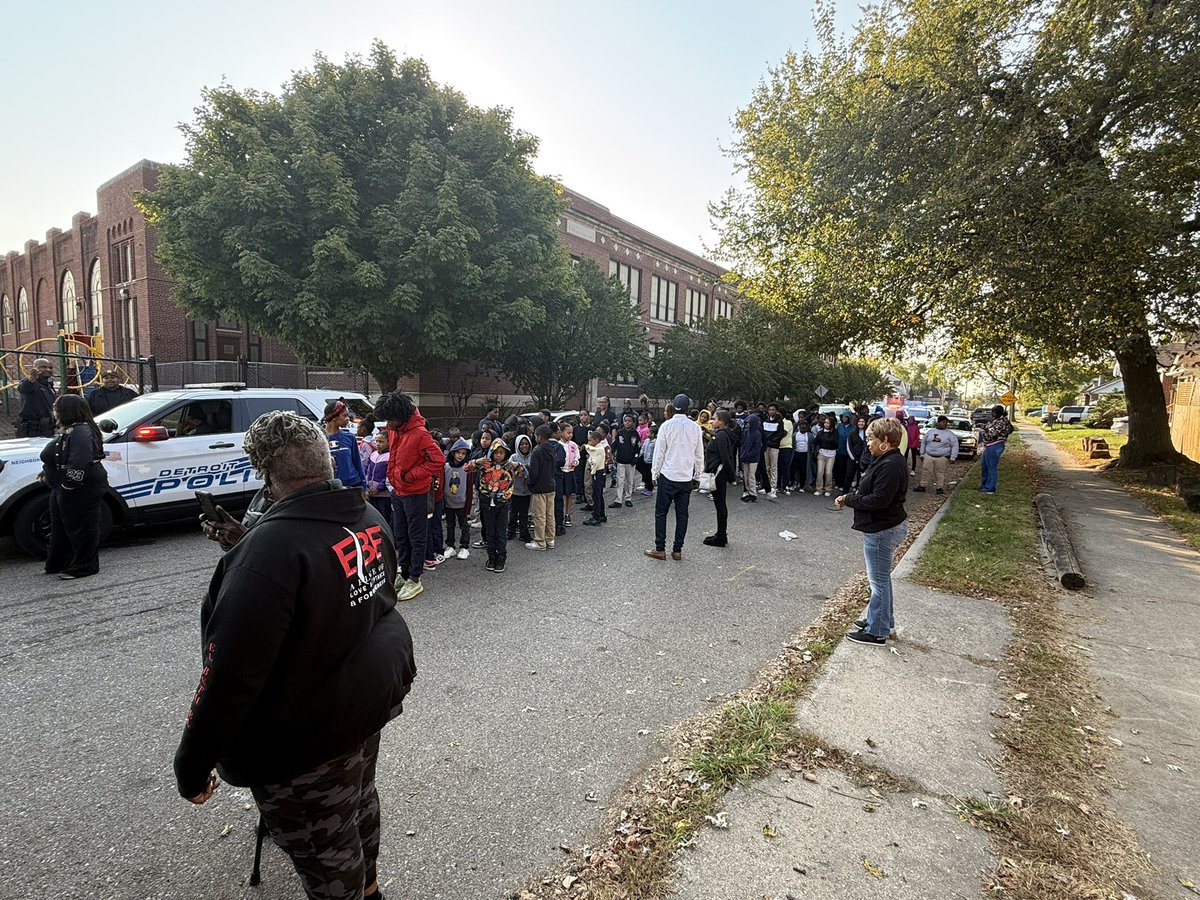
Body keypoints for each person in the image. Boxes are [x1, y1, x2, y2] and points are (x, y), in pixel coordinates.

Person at [173, 410, 415, 900]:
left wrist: (191, 765)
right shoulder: (366, 518)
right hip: (363, 703)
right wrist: (248, 540)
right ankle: (368, 890)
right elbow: (324, 578)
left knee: (324, 841)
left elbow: (230, 677)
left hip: (308, 731)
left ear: (265, 475)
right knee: (356, 802)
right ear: (325, 461)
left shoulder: (271, 555)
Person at [835, 417, 909, 646]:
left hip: (882, 529)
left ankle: (877, 631)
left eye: (871, 439)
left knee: (879, 582)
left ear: (885, 440)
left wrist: (849, 499)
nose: (868, 443)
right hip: (883, 527)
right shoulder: (887, 460)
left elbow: (879, 500)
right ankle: (880, 621)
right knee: (881, 580)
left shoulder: (891, 464)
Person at [375, 392, 445, 602]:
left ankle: (415, 578)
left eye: (391, 419)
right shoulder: (395, 429)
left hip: (415, 492)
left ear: (401, 415)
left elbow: (438, 461)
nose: (389, 423)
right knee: (400, 534)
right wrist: (394, 477)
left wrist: (410, 475)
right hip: (398, 490)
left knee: (416, 535)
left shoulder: (420, 434)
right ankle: (403, 573)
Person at [39, 394, 109, 579]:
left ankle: (84, 566)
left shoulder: (81, 431)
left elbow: (80, 462)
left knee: (82, 526)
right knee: (61, 526)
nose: (54, 411)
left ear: (67, 410)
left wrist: (69, 484)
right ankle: (59, 563)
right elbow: (60, 454)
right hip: (62, 485)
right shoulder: (71, 429)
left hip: (81, 486)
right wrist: (48, 471)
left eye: (57, 408)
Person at [646, 393, 705, 561]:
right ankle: (677, 549)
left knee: (661, 513)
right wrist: (697, 475)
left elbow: (659, 453)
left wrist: (654, 473)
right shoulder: (695, 428)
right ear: (688, 408)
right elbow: (699, 455)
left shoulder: (666, 426)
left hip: (668, 475)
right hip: (685, 476)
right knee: (682, 514)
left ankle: (660, 548)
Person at [467, 439, 520, 572]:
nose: (498, 455)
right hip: (486, 502)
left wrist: (516, 464)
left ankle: (501, 557)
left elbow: (524, 471)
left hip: (503, 502)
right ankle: (491, 557)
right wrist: (476, 461)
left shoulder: (509, 466)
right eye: (496, 452)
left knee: (501, 531)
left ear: (506, 453)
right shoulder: (485, 465)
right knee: (490, 531)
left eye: (501, 453)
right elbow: (466, 468)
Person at [703, 409, 738, 548]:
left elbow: (725, 457)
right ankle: (720, 533)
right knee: (719, 504)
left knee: (720, 504)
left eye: (714, 418)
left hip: (719, 473)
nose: (712, 420)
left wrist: (731, 477)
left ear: (722, 421)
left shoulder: (722, 436)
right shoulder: (722, 434)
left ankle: (721, 536)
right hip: (720, 472)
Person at [324, 399, 366, 495]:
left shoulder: (349, 437)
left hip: (352, 486)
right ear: (334, 418)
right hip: (331, 489)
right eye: (345, 416)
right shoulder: (320, 438)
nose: (348, 418)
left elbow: (358, 463)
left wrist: (364, 487)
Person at [526, 424, 557, 550]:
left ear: (539, 437)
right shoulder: (552, 449)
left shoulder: (537, 451)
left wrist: (530, 483)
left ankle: (540, 541)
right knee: (550, 514)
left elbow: (534, 472)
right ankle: (550, 539)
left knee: (539, 515)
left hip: (539, 487)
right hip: (550, 485)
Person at [442, 438, 474, 559]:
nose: (460, 456)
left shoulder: (467, 469)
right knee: (450, 525)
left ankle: (464, 547)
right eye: (458, 452)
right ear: (453, 452)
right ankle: (450, 546)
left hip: (462, 503)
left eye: (463, 453)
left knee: (464, 525)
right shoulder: (445, 467)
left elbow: (469, 489)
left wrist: (468, 506)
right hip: (448, 503)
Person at [914, 415, 959, 494]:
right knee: (925, 470)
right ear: (938, 423)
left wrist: (953, 457)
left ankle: (939, 487)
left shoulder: (950, 434)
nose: (945, 424)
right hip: (929, 455)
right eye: (943, 422)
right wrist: (922, 453)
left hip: (942, 456)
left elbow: (955, 445)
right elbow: (924, 442)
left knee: (939, 472)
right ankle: (922, 485)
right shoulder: (930, 432)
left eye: (946, 423)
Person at [977, 405, 1014, 494]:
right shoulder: (1001, 421)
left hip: (995, 445)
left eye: (992, 412)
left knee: (991, 467)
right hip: (990, 446)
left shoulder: (1001, 422)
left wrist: (983, 429)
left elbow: (992, 434)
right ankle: (984, 486)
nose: (991, 414)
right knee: (985, 466)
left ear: (996, 412)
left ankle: (990, 488)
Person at [581, 429, 614, 525]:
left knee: (596, 495)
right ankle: (601, 514)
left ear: (596, 440)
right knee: (599, 495)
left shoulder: (599, 449)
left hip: (598, 473)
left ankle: (596, 517)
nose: (589, 442)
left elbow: (593, 454)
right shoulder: (598, 447)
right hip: (599, 473)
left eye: (590, 440)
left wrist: (585, 446)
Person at [17, 358, 57, 438]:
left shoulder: (48, 385)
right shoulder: (31, 382)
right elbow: (24, 388)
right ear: (35, 368)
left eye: (50, 367)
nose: (48, 369)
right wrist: (32, 378)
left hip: (47, 427)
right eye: (43, 367)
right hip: (33, 428)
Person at [508, 433, 535, 544]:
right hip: (515, 490)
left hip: (527, 491)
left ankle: (524, 533)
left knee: (524, 513)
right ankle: (511, 531)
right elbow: (508, 470)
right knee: (513, 512)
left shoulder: (532, 456)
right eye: (521, 444)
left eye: (526, 444)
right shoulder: (513, 457)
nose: (524, 446)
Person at [612, 414, 642, 508]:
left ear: (633, 423)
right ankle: (618, 500)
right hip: (621, 460)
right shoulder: (620, 432)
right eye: (625, 421)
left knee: (630, 481)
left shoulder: (635, 434)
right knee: (620, 480)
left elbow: (638, 447)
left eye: (629, 421)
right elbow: (615, 444)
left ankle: (628, 498)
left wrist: (635, 458)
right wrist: (610, 451)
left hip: (631, 462)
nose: (627, 423)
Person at [364, 431, 392, 520]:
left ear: (389, 442)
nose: (378, 444)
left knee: (385, 517)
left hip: (384, 494)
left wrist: (379, 487)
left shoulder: (390, 456)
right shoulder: (373, 454)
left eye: (381, 442)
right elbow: (367, 471)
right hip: (371, 493)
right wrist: (367, 485)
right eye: (377, 441)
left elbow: (389, 475)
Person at [738, 409, 763, 502]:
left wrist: (747, 454)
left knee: (751, 476)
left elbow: (756, 448)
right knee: (746, 476)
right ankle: (748, 492)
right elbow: (742, 443)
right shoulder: (745, 432)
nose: (747, 424)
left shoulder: (757, 434)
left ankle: (753, 493)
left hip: (752, 458)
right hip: (745, 457)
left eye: (749, 422)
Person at [762, 403, 785, 498]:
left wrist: (770, 441)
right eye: (769, 409)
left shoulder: (779, 422)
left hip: (774, 447)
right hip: (765, 446)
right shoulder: (765, 421)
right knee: (766, 467)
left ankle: (773, 487)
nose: (771, 411)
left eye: (773, 410)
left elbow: (780, 434)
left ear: (776, 411)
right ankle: (766, 486)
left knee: (773, 467)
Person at [812, 416, 839, 496]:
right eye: (825, 423)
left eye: (828, 423)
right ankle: (819, 488)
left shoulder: (835, 433)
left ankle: (828, 489)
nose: (826, 424)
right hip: (821, 454)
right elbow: (815, 442)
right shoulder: (820, 432)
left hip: (831, 454)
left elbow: (836, 444)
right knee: (820, 472)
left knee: (828, 472)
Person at [639, 423, 657, 496]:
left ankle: (650, 489)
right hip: (645, 460)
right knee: (645, 475)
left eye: (649, 433)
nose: (647, 434)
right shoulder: (646, 441)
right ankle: (646, 487)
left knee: (650, 476)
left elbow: (655, 452)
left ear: (652, 434)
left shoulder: (655, 442)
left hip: (651, 462)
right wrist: (640, 455)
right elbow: (643, 449)